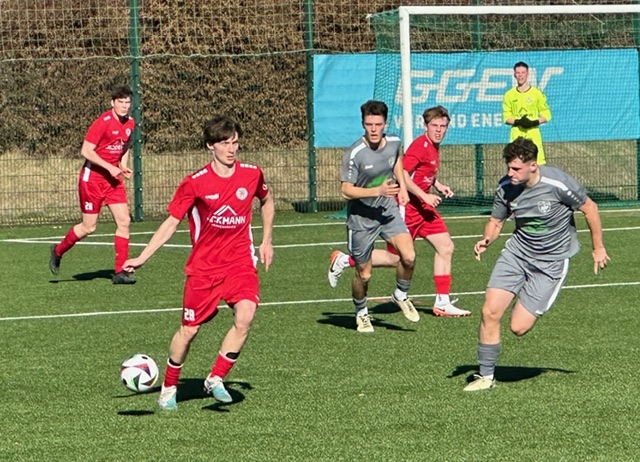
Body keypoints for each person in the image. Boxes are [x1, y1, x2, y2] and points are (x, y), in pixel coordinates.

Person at [122, 115, 274, 410]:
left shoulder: (252, 174)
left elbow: (267, 201)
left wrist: (267, 240)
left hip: (240, 262)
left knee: (245, 316)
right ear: (209, 146)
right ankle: (169, 387)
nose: (231, 149)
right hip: (204, 269)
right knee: (189, 331)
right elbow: (171, 223)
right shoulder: (195, 183)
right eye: (224, 143)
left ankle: (215, 378)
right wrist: (143, 256)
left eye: (235, 142)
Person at [464, 137, 610, 392]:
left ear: (533, 165)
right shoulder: (506, 186)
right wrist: (487, 239)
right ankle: (485, 376)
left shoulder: (558, 183)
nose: (511, 173)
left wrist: (598, 248)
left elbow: (590, 209)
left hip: (551, 262)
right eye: (509, 167)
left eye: (516, 168)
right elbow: (496, 221)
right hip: (517, 255)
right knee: (490, 311)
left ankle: (531, 298)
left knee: (518, 327)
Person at [329, 106, 470, 317]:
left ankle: (442, 302)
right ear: (425, 126)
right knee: (397, 259)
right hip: (409, 208)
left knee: (446, 246)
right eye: (435, 126)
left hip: (423, 210)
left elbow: (421, 172)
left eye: (443, 126)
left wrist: (437, 185)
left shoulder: (432, 146)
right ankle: (347, 260)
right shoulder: (420, 146)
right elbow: (403, 172)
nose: (439, 130)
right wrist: (423, 196)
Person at [336, 99, 419, 334]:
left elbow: (396, 161)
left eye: (378, 124)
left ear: (385, 124)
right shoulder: (355, 154)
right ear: (363, 124)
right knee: (364, 274)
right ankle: (361, 312)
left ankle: (400, 294)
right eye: (369, 124)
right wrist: (377, 190)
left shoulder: (393, 142)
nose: (373, 129)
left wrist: (402, 187)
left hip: (386, 210)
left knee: (409, 256)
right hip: (361, 219)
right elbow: (345, 190)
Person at [49, 85, 137, 284]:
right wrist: (109, 167)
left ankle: (120, 272)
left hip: (113, 180)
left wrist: (123, 165)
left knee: (124, 221)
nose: (124, 106)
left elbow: (125, 146)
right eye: (121, 102)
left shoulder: (131, 123)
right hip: (92, 180)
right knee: (89, 227)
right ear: (112, 103)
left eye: (127, 102)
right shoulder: (102, 123)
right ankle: (58, 250)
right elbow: (86, 151)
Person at [502, 61, 552, 165]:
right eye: (518, 73)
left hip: (533, 134)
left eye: (523, 72)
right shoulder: (509, 95)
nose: (520, 75)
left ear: (528, 74)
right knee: (516, 163)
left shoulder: (537, 93)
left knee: (536, 164)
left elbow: (547, 114)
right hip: (517, 135)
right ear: (514, 75)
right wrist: (518, 122)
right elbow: (506, 117)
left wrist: (534, 122)